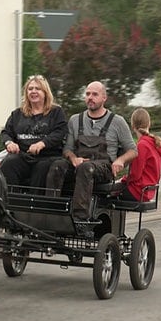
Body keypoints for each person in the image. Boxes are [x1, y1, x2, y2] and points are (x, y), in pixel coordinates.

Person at [46, 81, 138, 221]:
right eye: (88, 94)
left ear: (104, 98)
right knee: (58, 165)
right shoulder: (75, 120)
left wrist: (120, 160)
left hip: (104, 168)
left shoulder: (117, 122)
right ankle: (51, 213)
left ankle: (80, 219)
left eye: (95, 94)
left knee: (86, 168)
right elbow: (68, 149)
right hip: (79, 164)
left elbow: (133, 151)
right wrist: (73, 159)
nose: (90, 97)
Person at [0, 74, 67, 189]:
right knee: (9, 163)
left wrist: (42, 143)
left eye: (38, 89)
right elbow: (6, 133)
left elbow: (60, 132)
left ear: (45, 92)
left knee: (42, 168)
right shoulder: (17, 114)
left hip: (47, 156)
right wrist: (9, 143)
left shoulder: (56, 112)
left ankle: (34, 204)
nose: (33, 91)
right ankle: (12, 201)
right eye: (30, 89)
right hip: (23, 155)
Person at [119, 108, 161, 202]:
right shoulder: (155, 143)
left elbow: (135, 174)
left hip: (138, 191)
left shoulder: (142, 145)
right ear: (149, 124)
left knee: (105, 196)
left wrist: (122, 180)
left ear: (132, 126)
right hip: (149, 191)